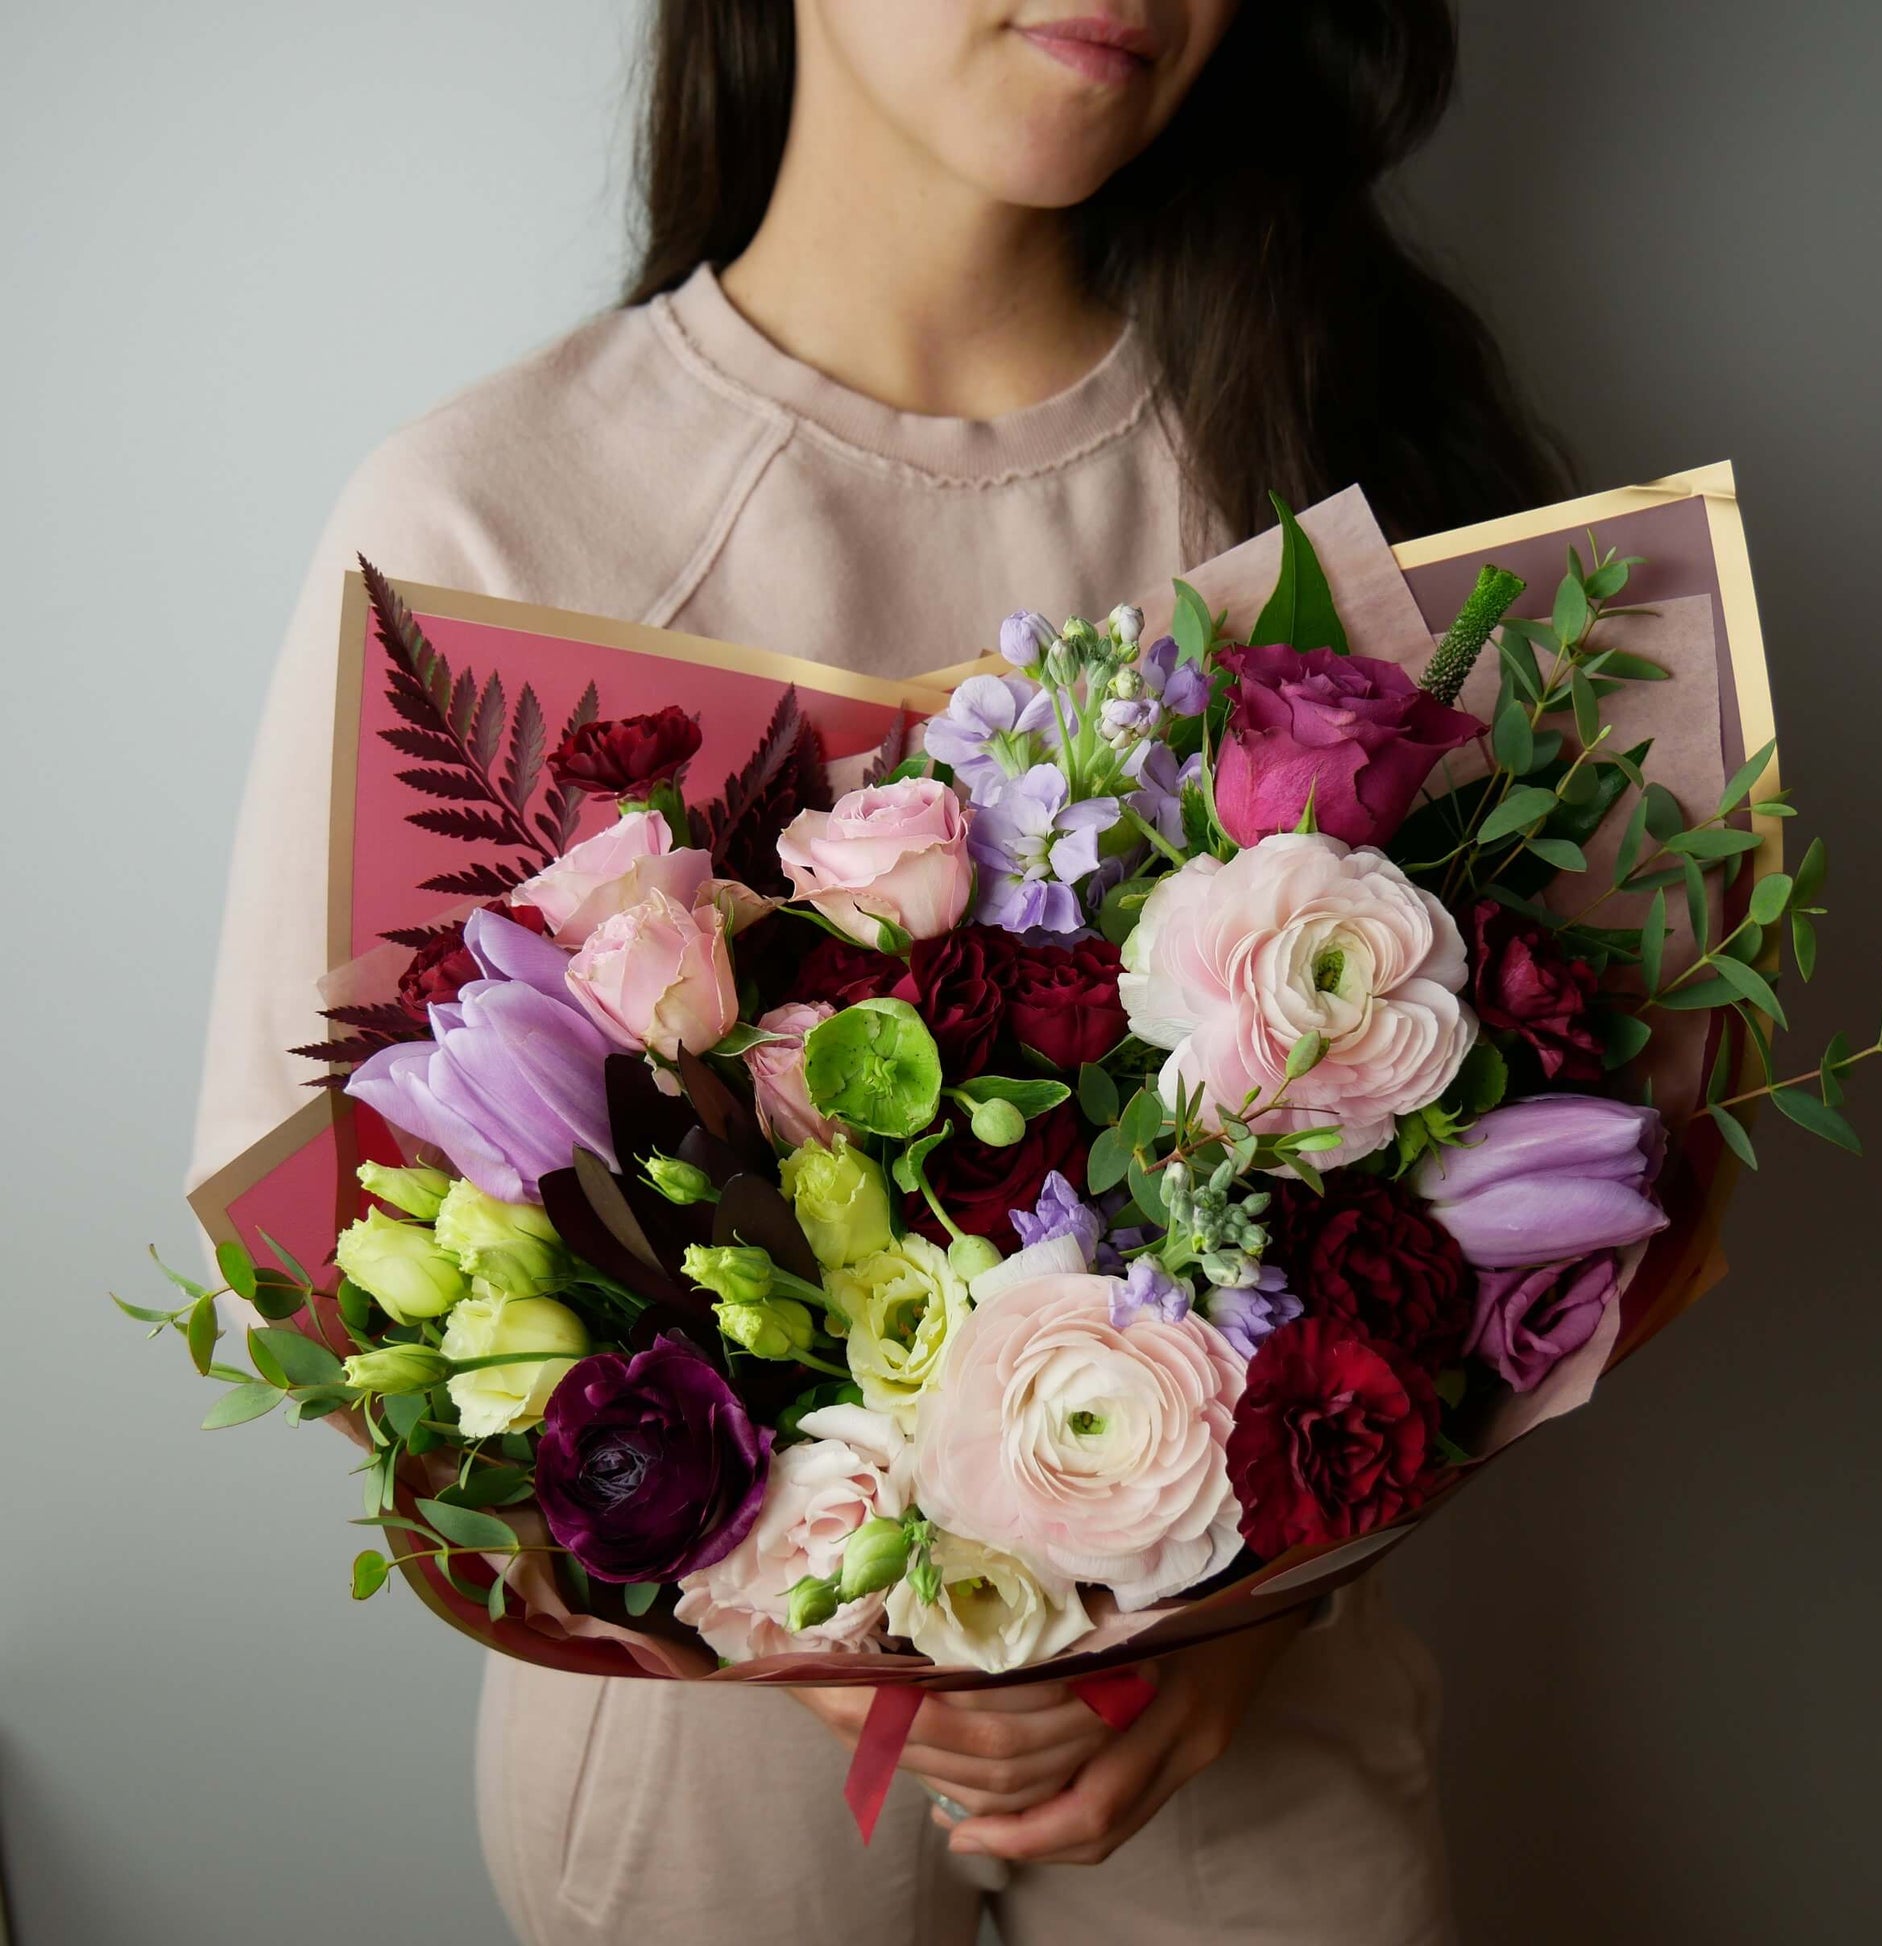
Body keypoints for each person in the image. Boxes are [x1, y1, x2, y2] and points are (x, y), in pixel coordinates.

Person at [193, 4, 1566, 1941]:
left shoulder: (1332, 447)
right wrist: (823, 1604)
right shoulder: (491, 509)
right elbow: (320, 1218)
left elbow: (1511, 1174)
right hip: (697, 1740)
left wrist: (1249, 1623)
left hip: (1250, 1694)